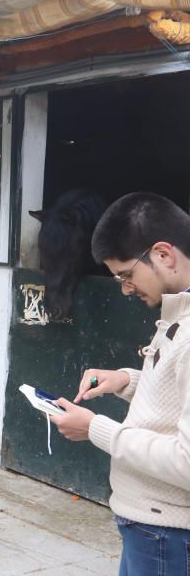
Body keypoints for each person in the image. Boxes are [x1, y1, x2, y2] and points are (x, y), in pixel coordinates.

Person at [49, 192, 190, 575]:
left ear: (163, 254)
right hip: (151, 525)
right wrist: (127, 380)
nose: (126, 289)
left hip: (168, 535)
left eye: (127, 275)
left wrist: (96, 429)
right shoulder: (181, 308)